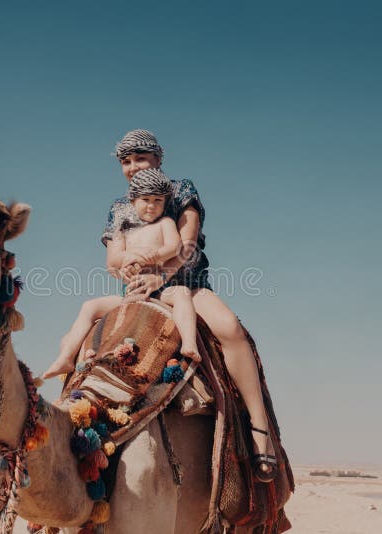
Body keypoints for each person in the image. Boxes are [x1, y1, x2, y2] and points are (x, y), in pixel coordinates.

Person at [104, 129, 277, 481]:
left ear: (158, 159)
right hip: (139, 291)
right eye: (126, 161)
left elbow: (187, 244)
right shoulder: (120, 207)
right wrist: (130, 270)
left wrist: (160, 277)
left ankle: (260, 431)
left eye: (140, 158)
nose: (133, 166)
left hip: (189, 284)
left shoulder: (180, 190)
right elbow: (112, 259)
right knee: (90, 343)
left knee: (229, 329)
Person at [44, 168, 201, 379]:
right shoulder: (123, 231)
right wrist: (129, 258)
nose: (151, 205)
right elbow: (113, 261)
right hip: (130, 293)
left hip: (161, 289)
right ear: (133, 201)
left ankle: (189, 342)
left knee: (182, 293)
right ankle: (66, 356)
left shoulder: (166, 223)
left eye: (158, 200)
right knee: (90, 306)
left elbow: (175, 247)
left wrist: (152, 255)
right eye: (145, 199)